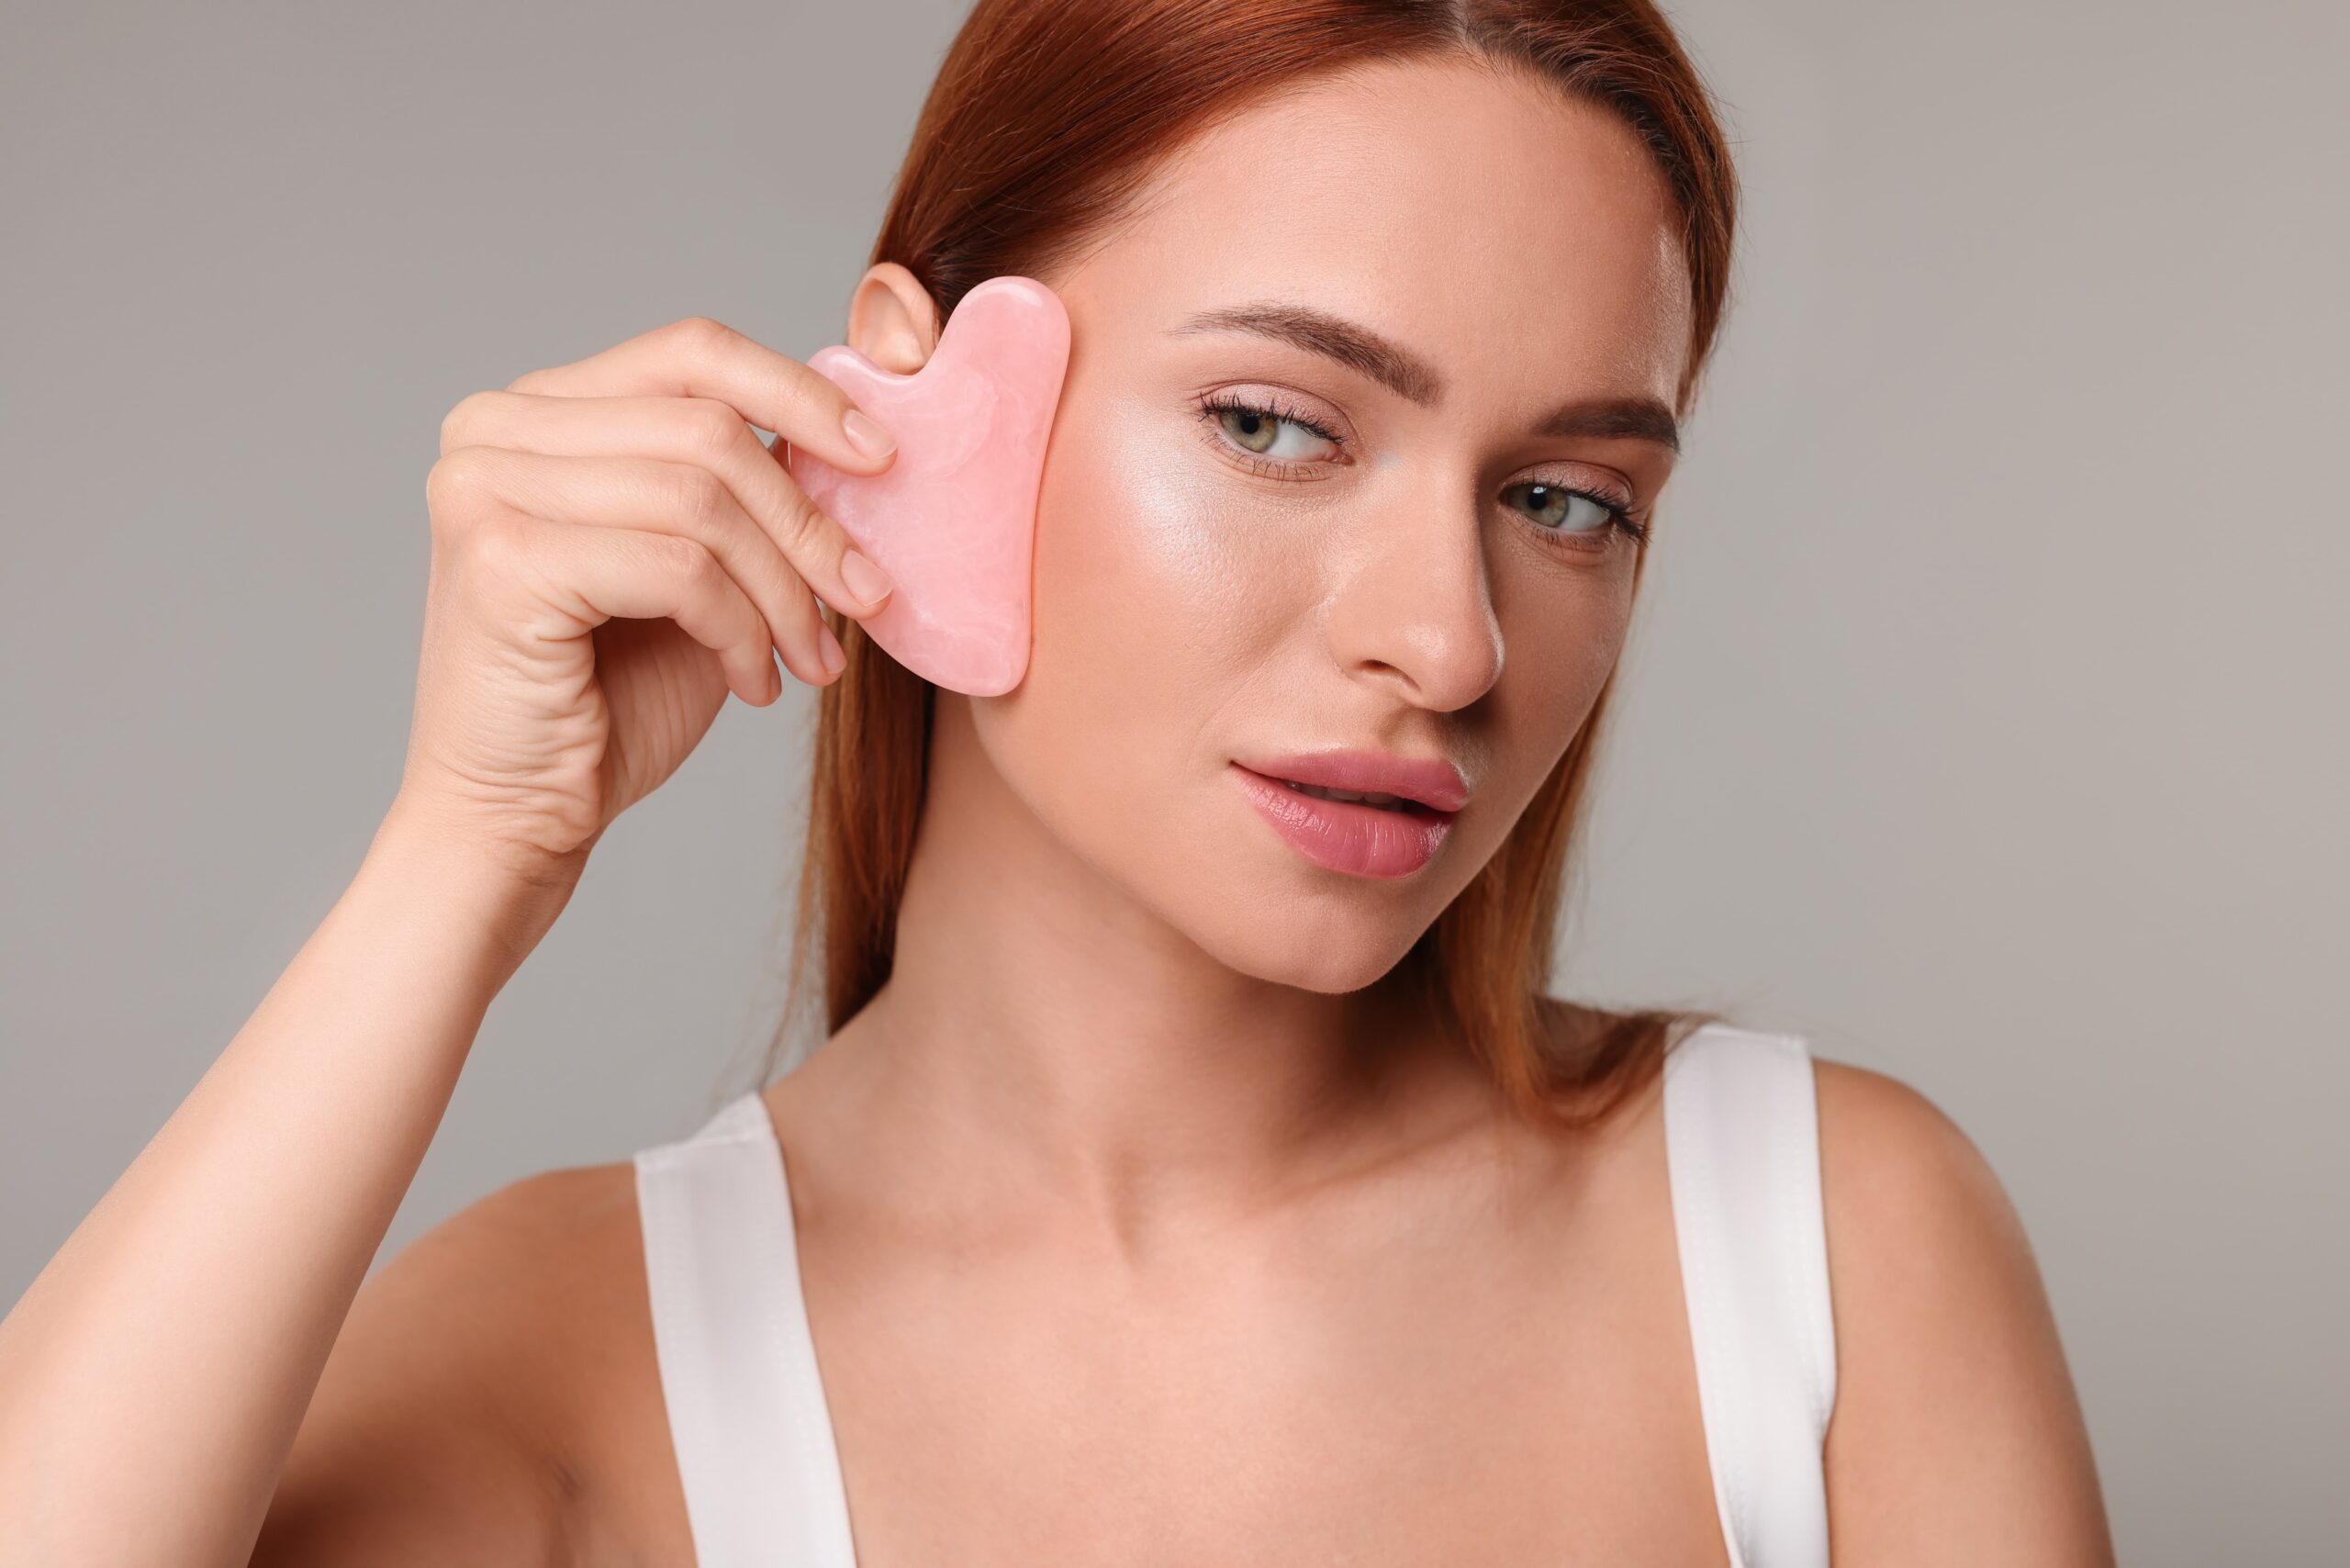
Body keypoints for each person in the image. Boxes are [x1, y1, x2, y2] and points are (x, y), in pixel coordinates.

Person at [0, 1, 2117, 1562]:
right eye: (1277, 426)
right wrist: (461, 853)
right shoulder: (573, 1352)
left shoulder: (1828, 1250)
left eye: (1564, 497)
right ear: (918, 411)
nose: (1450, 641)